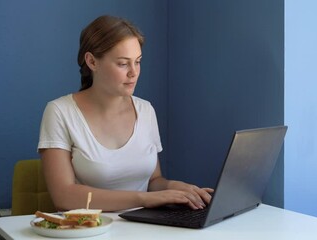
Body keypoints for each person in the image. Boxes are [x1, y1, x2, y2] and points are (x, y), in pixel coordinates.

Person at [38, 15, 213, 212]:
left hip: (142, 226)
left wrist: (175, 188)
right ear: (92, 62)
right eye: (123, 63)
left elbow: (154, 180)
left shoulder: (145, 110)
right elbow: (64, 196)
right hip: (89, 230)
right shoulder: (60, 112)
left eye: (137, 62)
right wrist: (143, 199)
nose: (134, 72)